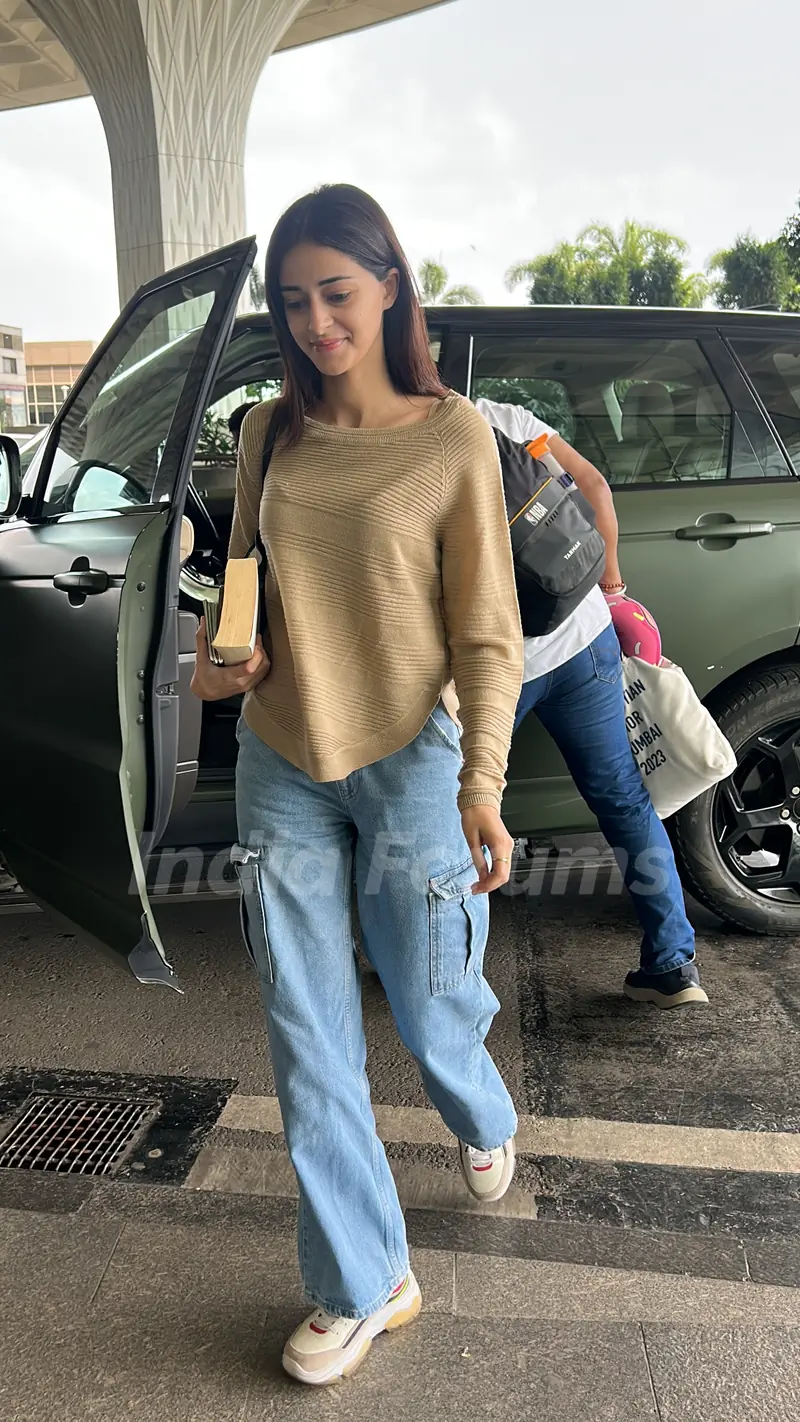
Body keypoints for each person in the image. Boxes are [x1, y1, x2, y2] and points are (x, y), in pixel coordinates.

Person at [191, 185, 523, 1386]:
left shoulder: (451, 440)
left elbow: (485, 633)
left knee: (430, 1010)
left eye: (337, 293)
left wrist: (481, 786)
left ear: (390, 287)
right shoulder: (265, 434)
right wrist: (222, 658)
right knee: (304, 1025)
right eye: (294, 301)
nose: (317, 323)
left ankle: (480, 1110)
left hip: (410, 759)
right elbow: (241, 577)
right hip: (282, 754)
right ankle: (366, 1279)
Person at [475, 397, 708, 1011]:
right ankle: (673, 964)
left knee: (461, 807)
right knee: (624, 799)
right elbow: (595, 487)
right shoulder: (502, 418)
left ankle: (441, 962)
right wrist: (611, 585)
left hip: (496, 669)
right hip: (584, 638)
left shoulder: (412, 446)